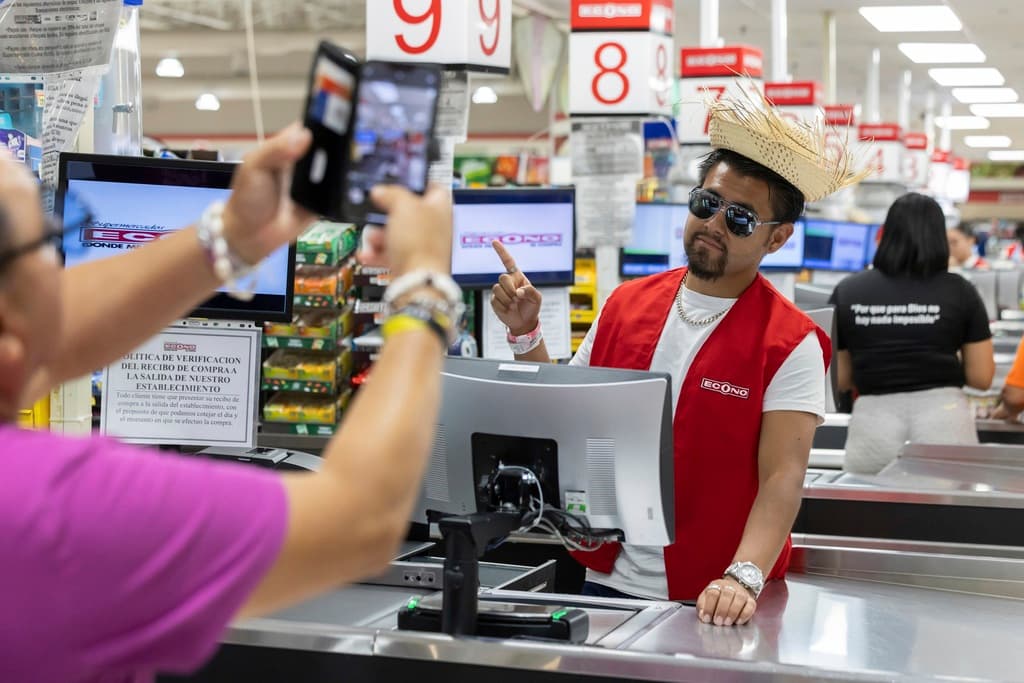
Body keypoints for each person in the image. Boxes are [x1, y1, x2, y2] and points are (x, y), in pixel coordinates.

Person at [0, 125, 458, 682]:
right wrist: (424, 290)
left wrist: (233, 236)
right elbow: (361, 520)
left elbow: (55, 330)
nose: (62, 268)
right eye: (51, 239)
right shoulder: (56, 512)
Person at [490, 93, 866, 627]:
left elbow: (783, 477)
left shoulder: (790, 342)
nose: (714, 224)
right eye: (706, 203)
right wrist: (525, 331)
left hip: (715, 596)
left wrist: (743, 577)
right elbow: (562, 413)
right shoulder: (626, 303)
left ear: (778, 238)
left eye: (740, 218)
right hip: (605, 577)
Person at [830, 193, 995, 475]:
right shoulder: (960, 291)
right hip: (945, 423)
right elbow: (981, 377)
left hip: (873, 427)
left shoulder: (848, 291)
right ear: (939, 237)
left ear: (887, 234)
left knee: (865, 504)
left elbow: (841, 379)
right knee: (947, 504)